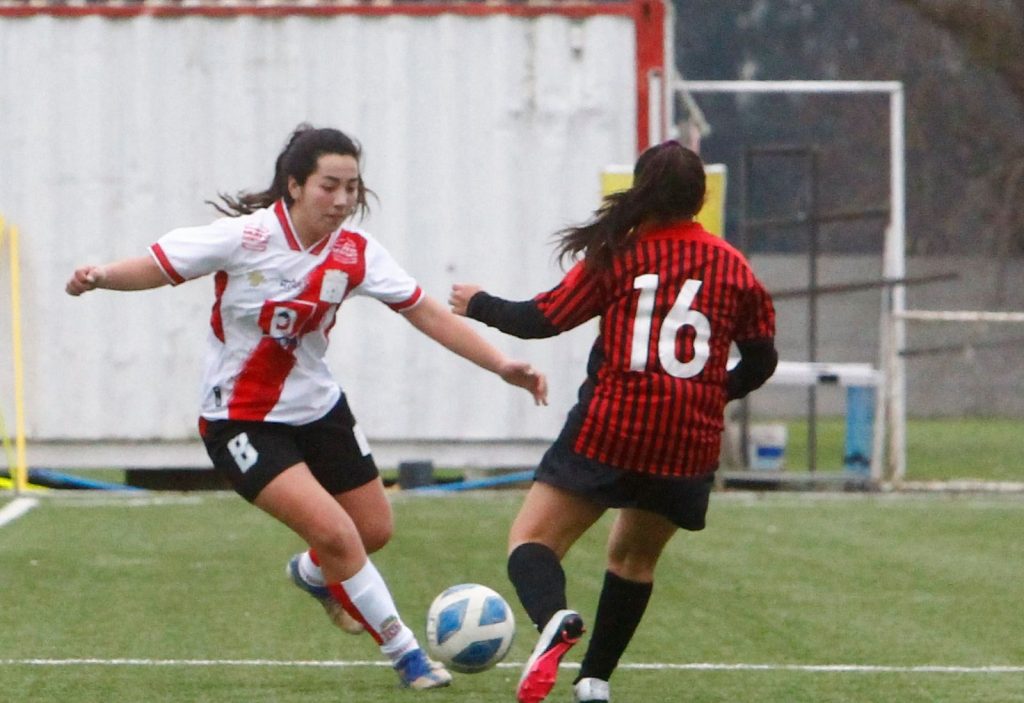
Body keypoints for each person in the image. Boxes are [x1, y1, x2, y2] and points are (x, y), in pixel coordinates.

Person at [66, 123, 548, 691]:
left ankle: (314, 575)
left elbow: (425, 311)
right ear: (294, 186)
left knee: (372, 530)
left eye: (352, 187)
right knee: (339, 534)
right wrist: (101, 277)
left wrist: (502, 365)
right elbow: (159, 264)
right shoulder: (244, 237)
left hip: (319, 409)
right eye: (329, 186)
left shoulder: (356, 253)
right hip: (239, 419)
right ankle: (408, 655)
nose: (343, 200)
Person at [449, 140, 777, 703]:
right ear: (699, 201)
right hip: (687, 444)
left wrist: (478, 302)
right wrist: (712, 394)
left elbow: (541, 320)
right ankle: (595, 680)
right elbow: (762, 359)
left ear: (640, 191)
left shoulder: (621, 254)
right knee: (634, 559)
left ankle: (554, 620)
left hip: (613, 427)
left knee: (530, 541)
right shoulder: (734, 267)